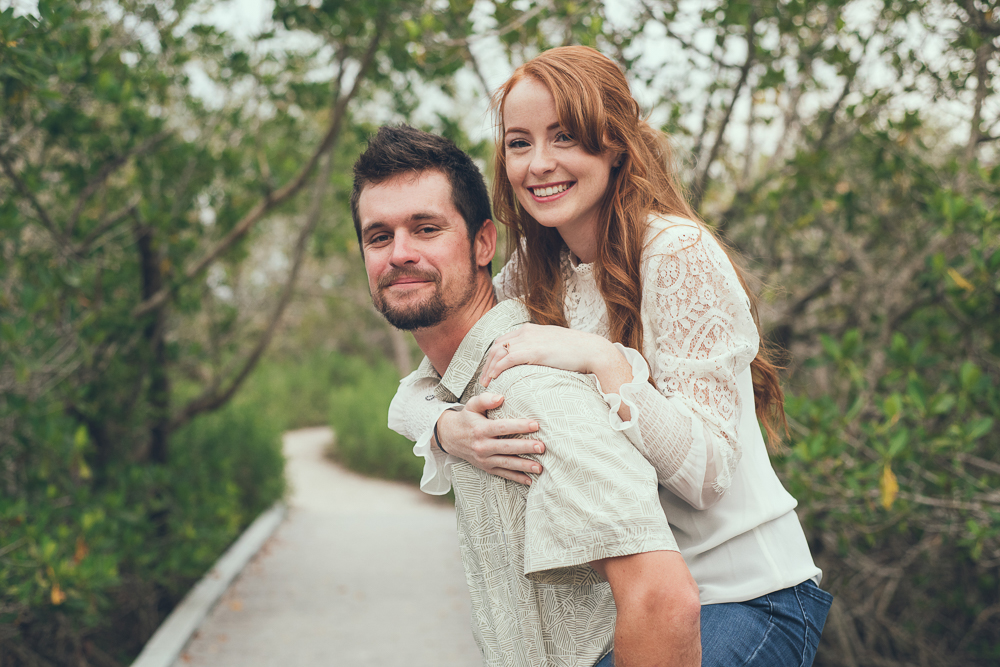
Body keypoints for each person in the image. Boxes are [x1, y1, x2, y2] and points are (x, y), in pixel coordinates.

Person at [388, 46, 833, 667]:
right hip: (644, 607)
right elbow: (422, 386)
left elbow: (707, 475)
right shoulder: (534, 275)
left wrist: (603, 360)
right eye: (519, 143)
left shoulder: (675, 253)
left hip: (750, 599)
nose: (538, 164)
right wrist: (445, 427)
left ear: (614, 144)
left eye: (563, 137)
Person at [352, 124, 701, 667]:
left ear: (483, 243)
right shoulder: (461, 394)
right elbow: (410, 400)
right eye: (379, 237)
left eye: (426, 229)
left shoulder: (530, 393)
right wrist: (442, 426)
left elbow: (664, 600)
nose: (400, 253)